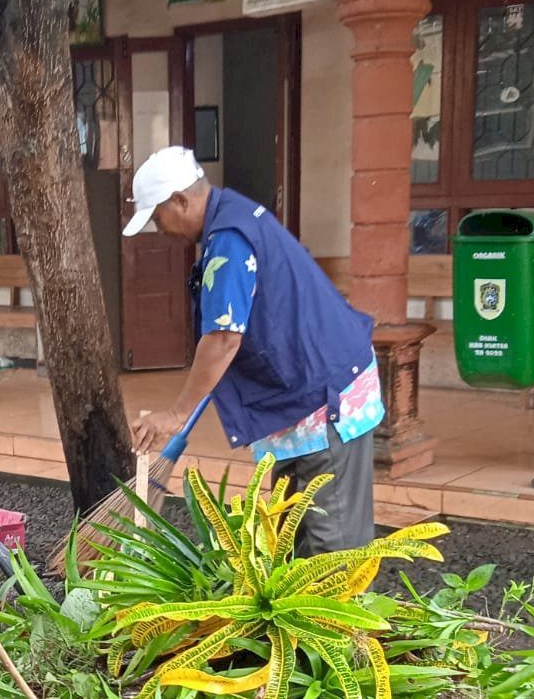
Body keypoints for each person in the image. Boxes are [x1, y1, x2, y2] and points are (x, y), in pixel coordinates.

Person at [124, 147, 383, 555]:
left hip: (326, 398)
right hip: (297, 395)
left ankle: (344, 621)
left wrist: (176, 414)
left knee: (333, 551)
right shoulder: (231, 220)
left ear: (180, 200)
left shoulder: (230, 238)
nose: (160, 230)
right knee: (288, 533)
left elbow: (224, 338)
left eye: (158, 218)